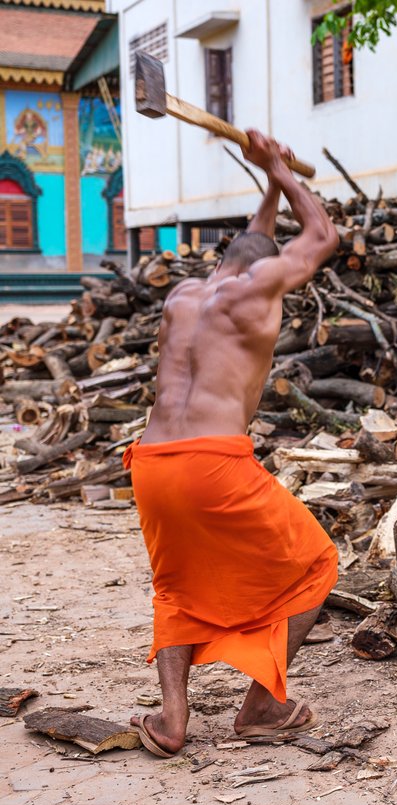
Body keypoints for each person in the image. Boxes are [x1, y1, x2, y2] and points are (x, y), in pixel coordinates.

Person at [125, 130, 340, 757]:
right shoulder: (258, 287)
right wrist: (280, 166)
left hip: (151, 463)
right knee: (316, 563)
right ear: (263, 265)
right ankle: (263, 705)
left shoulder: (183, 295)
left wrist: (268, 185)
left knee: (176, 585)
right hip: (212, 461)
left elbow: (253, 241)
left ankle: (170, 720)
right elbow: (322, 236)